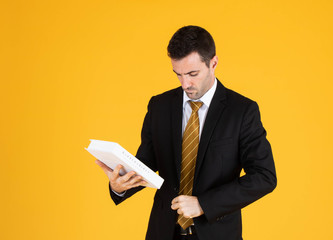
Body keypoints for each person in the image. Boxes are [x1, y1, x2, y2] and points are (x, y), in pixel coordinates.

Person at [96, 25, 277, 240]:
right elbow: (145, 163)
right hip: (163, 232)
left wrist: (204, 204)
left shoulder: (242, 111)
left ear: (213, 63)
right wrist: (120, 185)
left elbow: (264, 176)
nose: (185, 84)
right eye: (178, 74)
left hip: (217, 233)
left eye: (193, 74)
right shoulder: (159, 105)